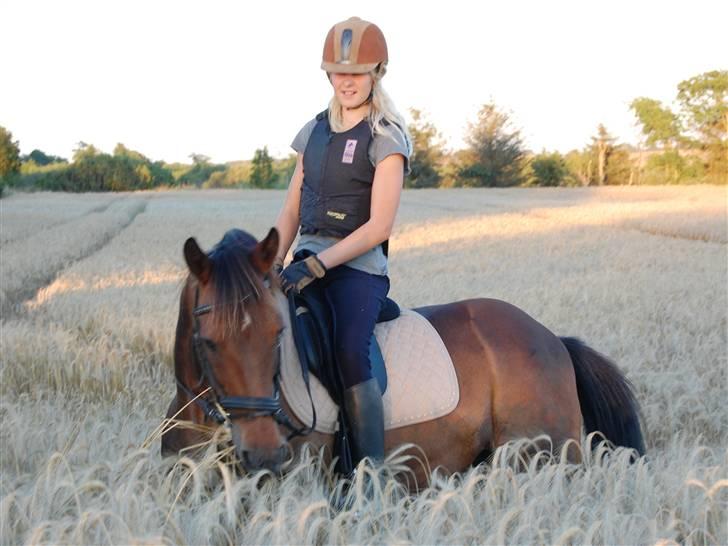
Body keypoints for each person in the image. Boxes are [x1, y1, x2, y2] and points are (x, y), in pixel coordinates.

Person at [273, 16, 411, 468]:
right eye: (338, 72)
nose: (347, 81)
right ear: (328, 74)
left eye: (357, 72)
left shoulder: (386, 136)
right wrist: (270, 259)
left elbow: (379, 227)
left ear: (376, 73)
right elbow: (292, 209)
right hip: (307, 258)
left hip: (358, 268)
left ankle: (370, 477)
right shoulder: (312, 133)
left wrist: (318, 265)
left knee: (351, 352)